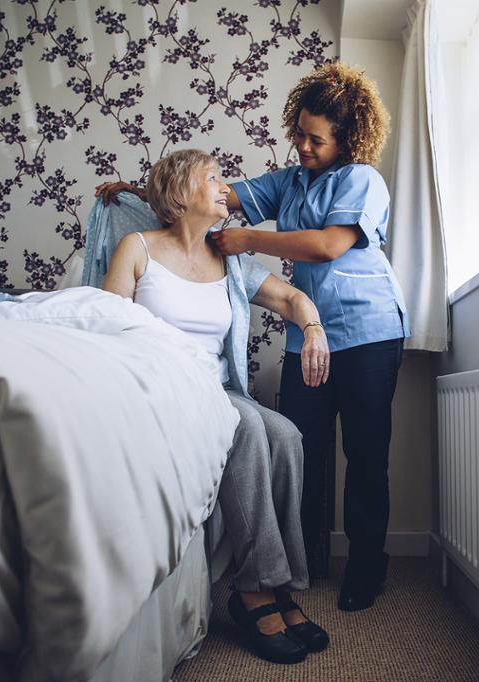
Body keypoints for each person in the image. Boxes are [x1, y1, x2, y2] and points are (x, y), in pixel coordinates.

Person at [94, 149, 330, 665]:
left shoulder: (231, 261)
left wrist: (312, 328)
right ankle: (253, 591)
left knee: (287, 435)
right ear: (181, 193)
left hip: (217, 391)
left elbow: (292, 300)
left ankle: (283, 585)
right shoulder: (136, 248)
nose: (227, 187)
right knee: (245, 425)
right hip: (163, 391)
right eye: (214, 178)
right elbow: (107, 329)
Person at [209, 62, 410, 613]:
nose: (301, 145)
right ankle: (305, 560)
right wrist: (147, 188)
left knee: (366, 454)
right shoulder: (290, 180)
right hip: (309, 335)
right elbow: (219, 195)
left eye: (314, 138)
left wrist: (248, 239)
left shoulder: (363, 180)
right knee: (300, 448)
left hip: (369, 332)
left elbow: (327, 246)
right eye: (297, 132)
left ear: (346, 139)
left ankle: (367, 568)